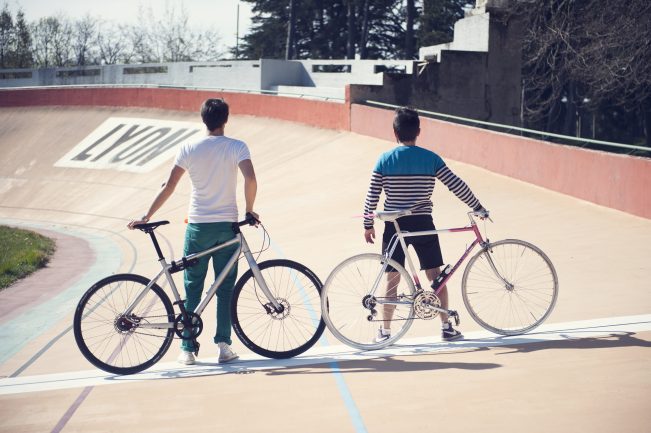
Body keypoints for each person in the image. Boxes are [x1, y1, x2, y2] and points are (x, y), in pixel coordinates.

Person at [128, 98, 258, 365]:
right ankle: (223, 346)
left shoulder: (188, 147)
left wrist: (147, 215)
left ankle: (187, 349)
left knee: (193, 285)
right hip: (227, 226)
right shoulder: (236, 147)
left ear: (203, 119)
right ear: (226, 119)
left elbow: (170, 184)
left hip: (198, 226)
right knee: (224, 288)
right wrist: (250, 209)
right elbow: (251, 179)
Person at [363, 107, 488, 343]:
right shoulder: (430, 158)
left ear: (394, 132)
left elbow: (372, 195)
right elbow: (456, 184)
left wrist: (368, 224)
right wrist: (477, 205)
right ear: (418, 131)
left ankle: (385, 332)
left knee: (392, 277)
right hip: (422, 222)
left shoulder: (384, 160)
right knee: (435, 275)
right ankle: (446, 328)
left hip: (394, 225)